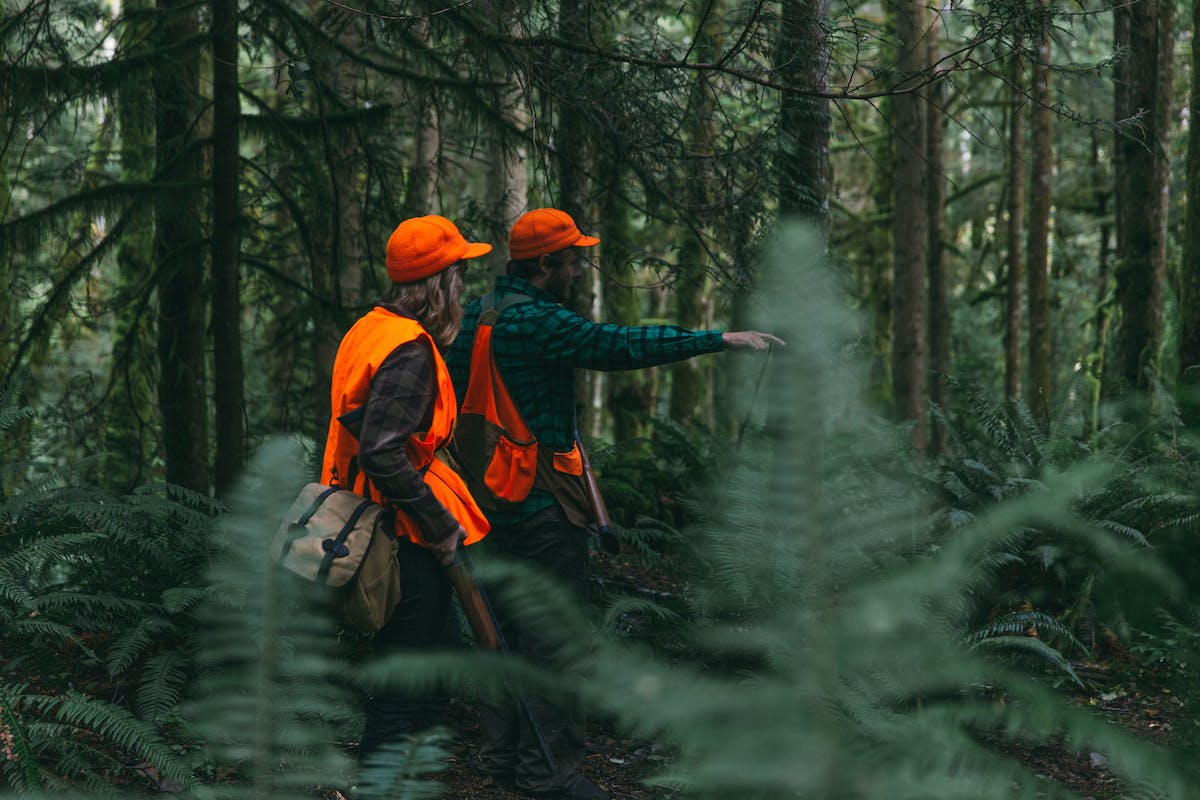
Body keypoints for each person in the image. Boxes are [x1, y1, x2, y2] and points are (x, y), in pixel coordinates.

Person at [445, 207, 783, 800]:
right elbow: (617, 345)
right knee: (553, 637)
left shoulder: (477, 313)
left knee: (499, 633)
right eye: (573, 258)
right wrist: (719, 338)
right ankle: (549, 775)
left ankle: (502, 761)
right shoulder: (540, 322)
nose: (579, 269)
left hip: (483, 503)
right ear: (546, 263)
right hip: (541, 506)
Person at [319, 214, 493, 762]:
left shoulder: (369, 327)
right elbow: (381, 451)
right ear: (439, 282)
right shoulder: (409, 349)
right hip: (402, 539)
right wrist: (439, 524)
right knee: (406, 688)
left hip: (372, 523)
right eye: (459, 272)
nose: (464, 285)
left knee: (433, 670)